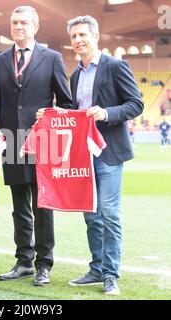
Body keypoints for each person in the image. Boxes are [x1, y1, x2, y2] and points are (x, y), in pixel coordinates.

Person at [0, 6, 73, 286]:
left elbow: (66, 103)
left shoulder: (52, 58)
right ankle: (24, 261)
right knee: (19, 207)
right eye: (14, 22)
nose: (18, 27)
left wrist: (49, 115)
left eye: (24, 22)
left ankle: (43, 265)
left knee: (43, 206)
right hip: (12, 142)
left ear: (35, 26)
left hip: (43, 141)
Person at [66, 16, 143, 295]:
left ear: (96, 36)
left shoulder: (116, 65)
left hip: (108, 152)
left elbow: (136, 104)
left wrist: (107, 113)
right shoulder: (74, 75)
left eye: (83, 35)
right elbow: (76, 113)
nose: (78, 40)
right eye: (74, 36)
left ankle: (110, 274)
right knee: (90, 215)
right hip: (82, 155)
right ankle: (97, 268)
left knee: (109, 213)